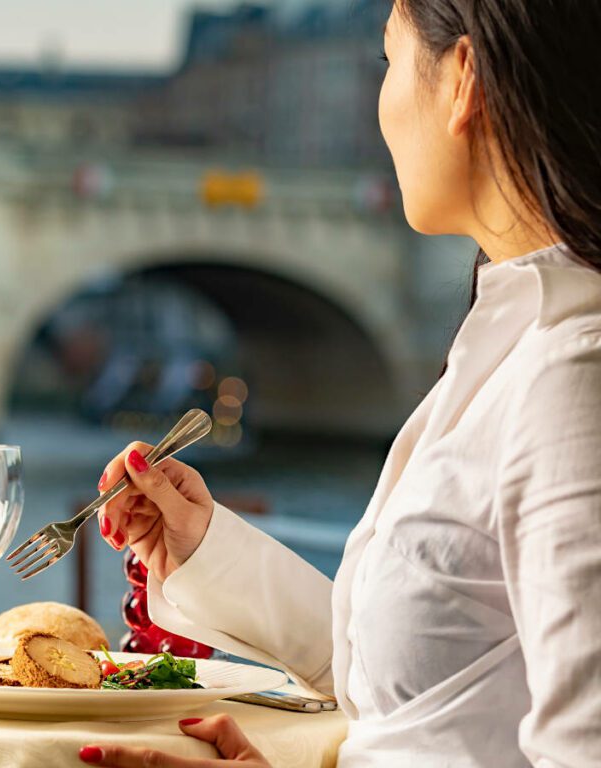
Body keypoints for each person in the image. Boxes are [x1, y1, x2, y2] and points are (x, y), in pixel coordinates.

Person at [78, 0, 601, 765]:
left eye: (388, 62)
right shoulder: (520, 341)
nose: (379, 104)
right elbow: (422, 679)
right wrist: (207, 551)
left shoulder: (570, 375)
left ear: (463, 80)